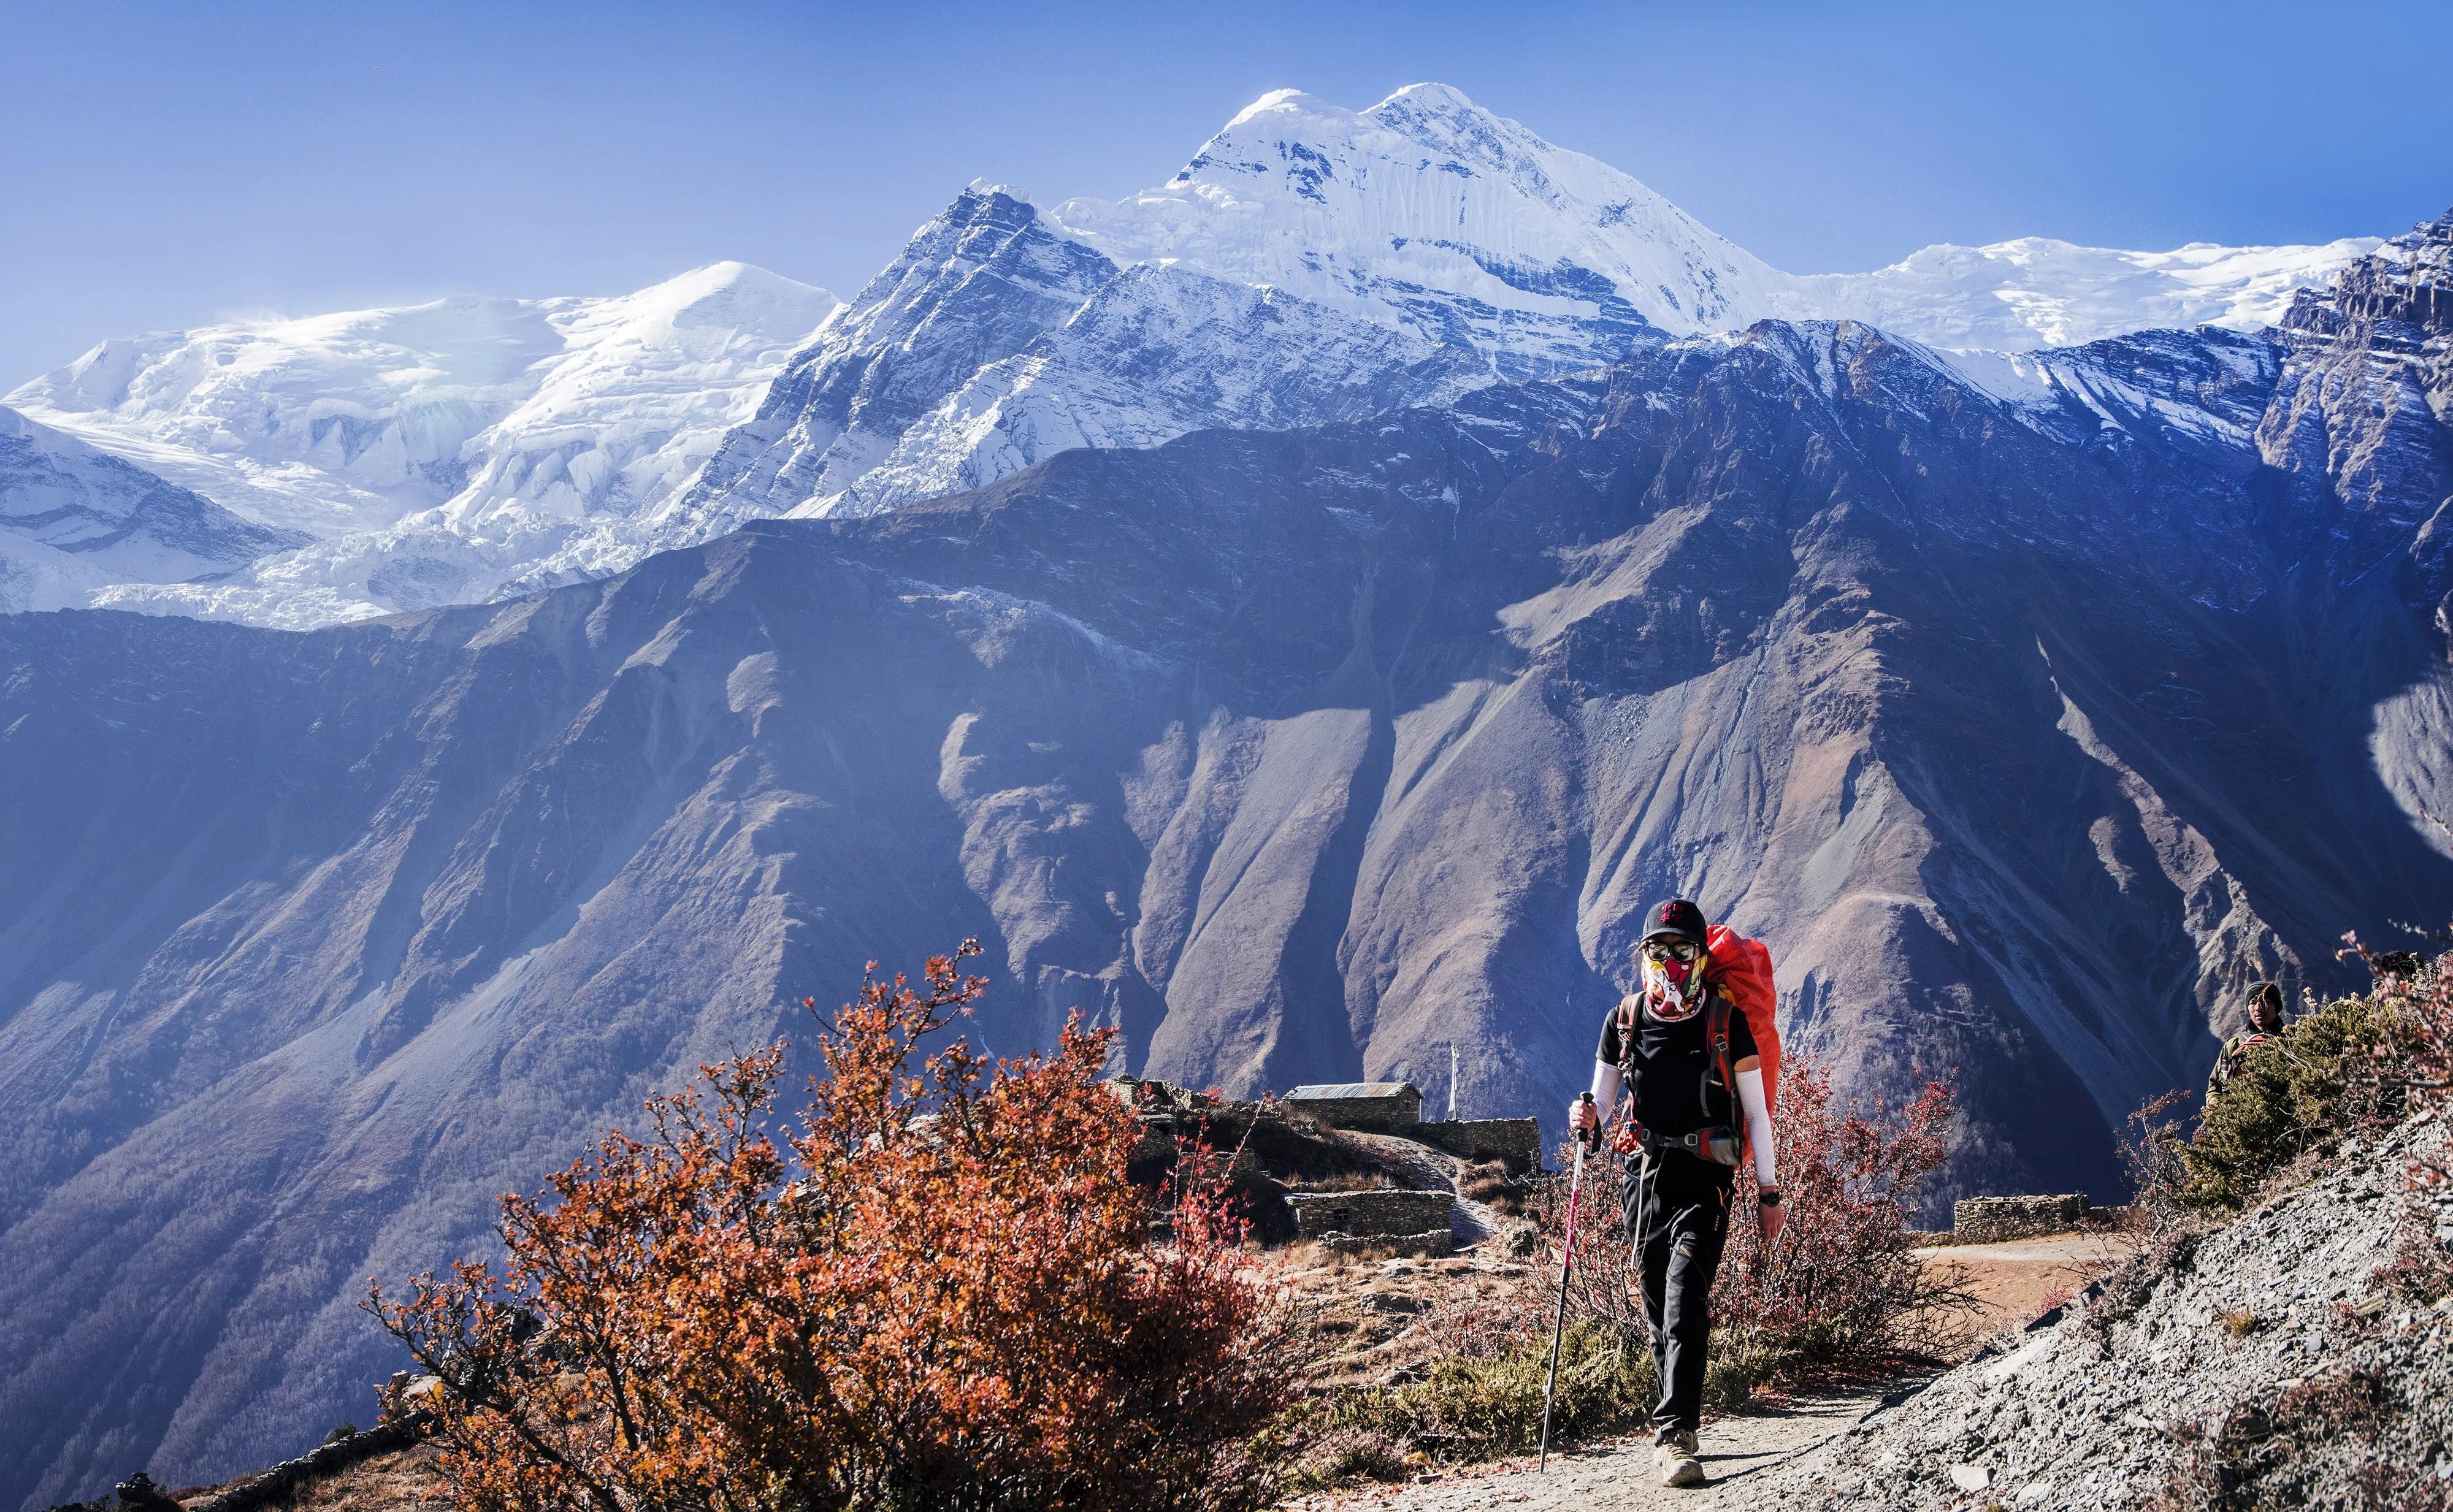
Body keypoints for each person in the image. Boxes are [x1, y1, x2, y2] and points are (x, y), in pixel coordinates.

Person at [1568, 898, 1779, 1490]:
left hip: (1707, 1176)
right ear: (1644, 955)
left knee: (1686, 1295)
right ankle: (1675, 1419)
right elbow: (1603, 1103)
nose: (1670, 962)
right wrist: (1585, 1119)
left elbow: (1758, 1114)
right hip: (1642, 1176)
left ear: (1700, 955)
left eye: (1681, 951)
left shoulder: (1725, 1021)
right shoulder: (1625, 1019)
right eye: (1658, 951)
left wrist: (1769, 1193)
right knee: (1658, 1301)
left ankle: (1676, 1434)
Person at [2206, 980, 2286, 1102]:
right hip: (2241, 1115)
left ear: (2276, 1007)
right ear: (2247, 1008)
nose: (2259, 1008)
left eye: (2266, 1002)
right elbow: (2216, 1087)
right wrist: (2219, 1110)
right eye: (2253, 1003)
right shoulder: (2235, 1044)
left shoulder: (2291, 1038)